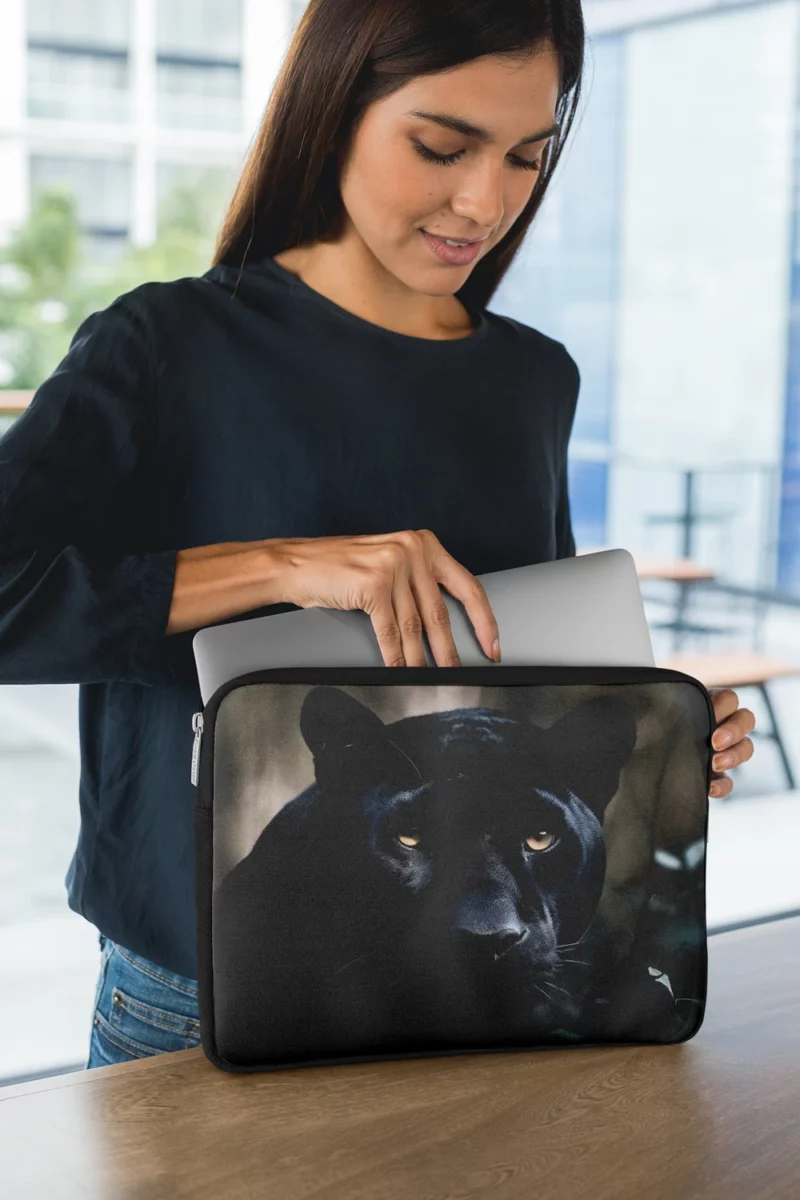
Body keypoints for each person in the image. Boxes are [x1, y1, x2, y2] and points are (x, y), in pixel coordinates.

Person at [0, 0, 755, 1070]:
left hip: (479, 994)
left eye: (524, 158)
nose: (482, 201)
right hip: (201, 990)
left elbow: (517, 665)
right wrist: (288, 566)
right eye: (440, 147)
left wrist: (668, 723)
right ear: (332, 108)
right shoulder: (163, 345)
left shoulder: (534, 378)